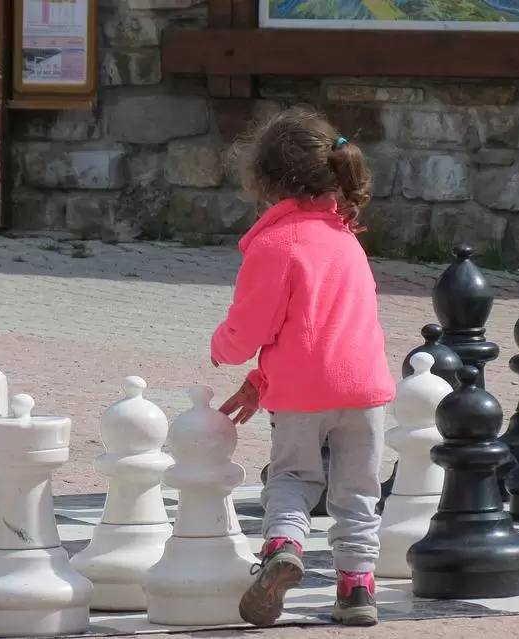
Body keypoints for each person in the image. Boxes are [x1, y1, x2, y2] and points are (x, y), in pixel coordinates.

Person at [210, 106, 395, 628]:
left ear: (266, 178)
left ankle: (284, 547)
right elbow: (330, 333)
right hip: (365, 390)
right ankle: (357, 588)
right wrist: (259, 381)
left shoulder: (275, 245)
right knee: (358, 492)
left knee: (293, 476)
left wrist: (223, 350)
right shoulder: (347, 239)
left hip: (301, 396)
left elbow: (253, 328)